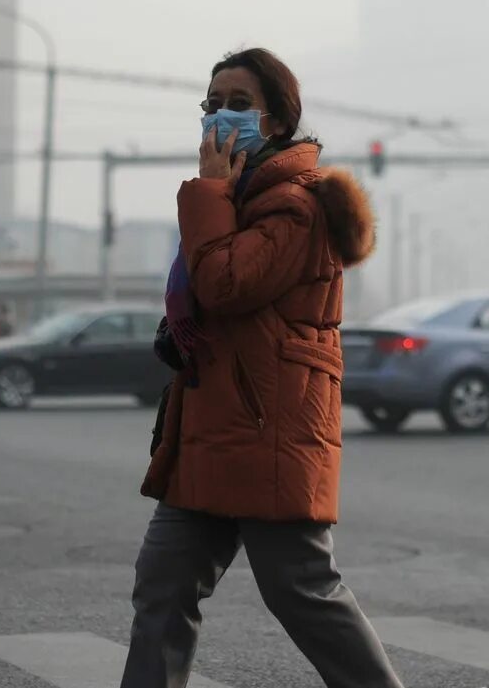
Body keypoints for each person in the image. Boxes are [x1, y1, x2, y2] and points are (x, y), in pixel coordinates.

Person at [121, 49, 401, 688]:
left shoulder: (294, 207)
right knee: (161, 588)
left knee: (302, 590)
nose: (221, 115)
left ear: (277, 122)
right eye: (212, 103)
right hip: (213, 430)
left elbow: (222, 285)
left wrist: (210, 191)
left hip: (266, 429)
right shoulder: (241, 200)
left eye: (239, 104)